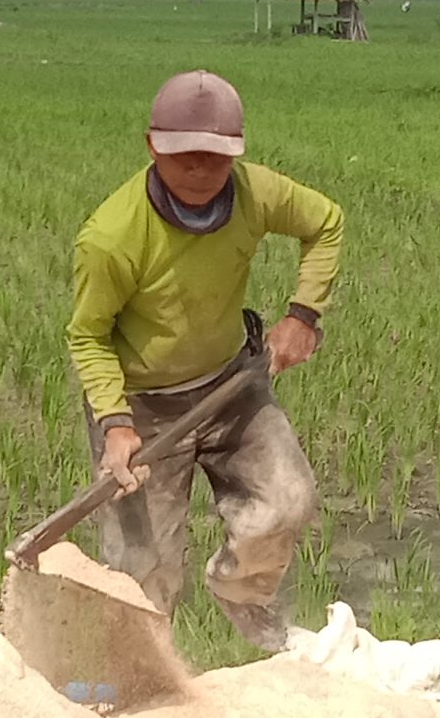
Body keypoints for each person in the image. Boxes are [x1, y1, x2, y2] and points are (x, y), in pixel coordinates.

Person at [65, 70, 343, 647]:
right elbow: (88, 336)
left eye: (214, 159)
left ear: (236, 156)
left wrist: (303, 315)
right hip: (144, 409)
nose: (199, 170)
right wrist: (115, 425)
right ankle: (143, 676)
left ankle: (241, 593)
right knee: (143, 569)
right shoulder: (112, 237)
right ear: (152, 147)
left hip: (231, 386)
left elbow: (325, 223)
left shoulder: (255, 192)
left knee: (286, 501)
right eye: (182, 155)